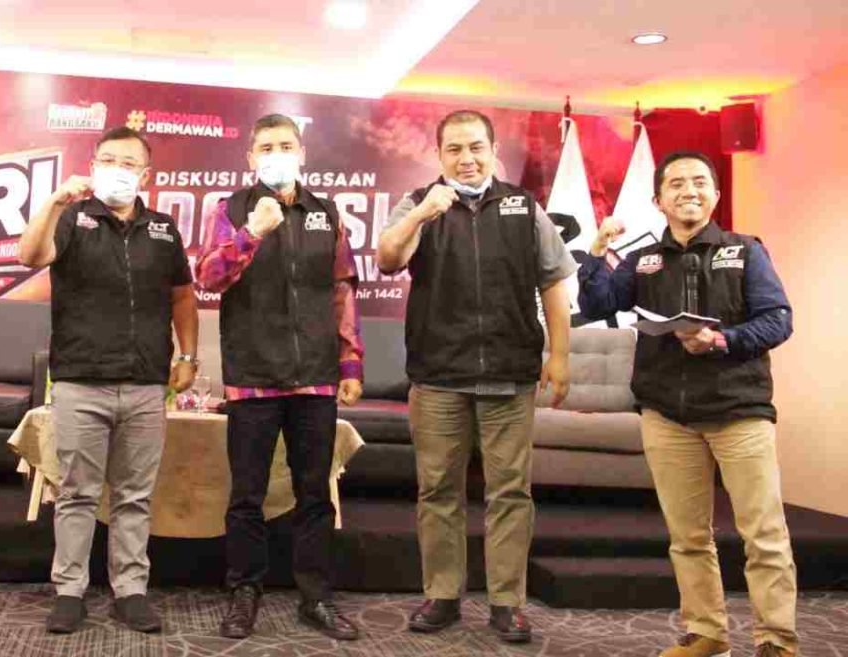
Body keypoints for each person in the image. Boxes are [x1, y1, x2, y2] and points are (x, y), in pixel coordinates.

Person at [578, 151, 797, 657]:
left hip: (739, 411)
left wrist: (721, 341)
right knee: (688, 537)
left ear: (715, 194)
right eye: (675, 183)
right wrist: (597, 250)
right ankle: (706, 633)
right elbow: (597, 304)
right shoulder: (643, 259)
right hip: (667, 416)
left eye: (699, 181)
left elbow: (778, 319)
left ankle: (777, 640)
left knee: (764, 534)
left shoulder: (745, 251)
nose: (688, 190)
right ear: (659, 200)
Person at [376, 110, 575, 644]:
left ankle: (507, 602)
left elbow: (555, 280)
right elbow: (388, 259)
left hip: (510, 375)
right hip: (439, 375)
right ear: (439, 155)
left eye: (476, 148)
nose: (466, 159)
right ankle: (442, 594)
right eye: (454, 149)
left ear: (493, 151)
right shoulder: (419, 202)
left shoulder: (523, 207)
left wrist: (560, 355)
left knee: (510, 492)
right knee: (438, 489)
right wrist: (422, 214)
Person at [18, 126, 198, 635]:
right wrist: (54, 202)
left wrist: (188, 355)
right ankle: (69, 591)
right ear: (94, 166)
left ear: (146, 175)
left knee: (134, 495)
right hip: (80, 380)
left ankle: (130, 591)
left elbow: (182, 296)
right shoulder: (71, 218)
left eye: (129, 163)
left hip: (145, 383)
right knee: (76, 492)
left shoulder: (163, 229)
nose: (118, 170)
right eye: (109, 160)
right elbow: (30, 256)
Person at [196, 113, 364, 641]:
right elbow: (209, 277)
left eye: (285, 145)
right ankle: (244, 592)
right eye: (266, 147)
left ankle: (316, 597)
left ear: (302, 153)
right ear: (250, 157)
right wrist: (253, 233)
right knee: (247, 495)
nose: (276, 154)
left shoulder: (326, 213)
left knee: (315, 494)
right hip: (252, 375)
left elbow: (342, 290)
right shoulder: (230, 209)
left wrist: (350, 362)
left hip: (315, 376)